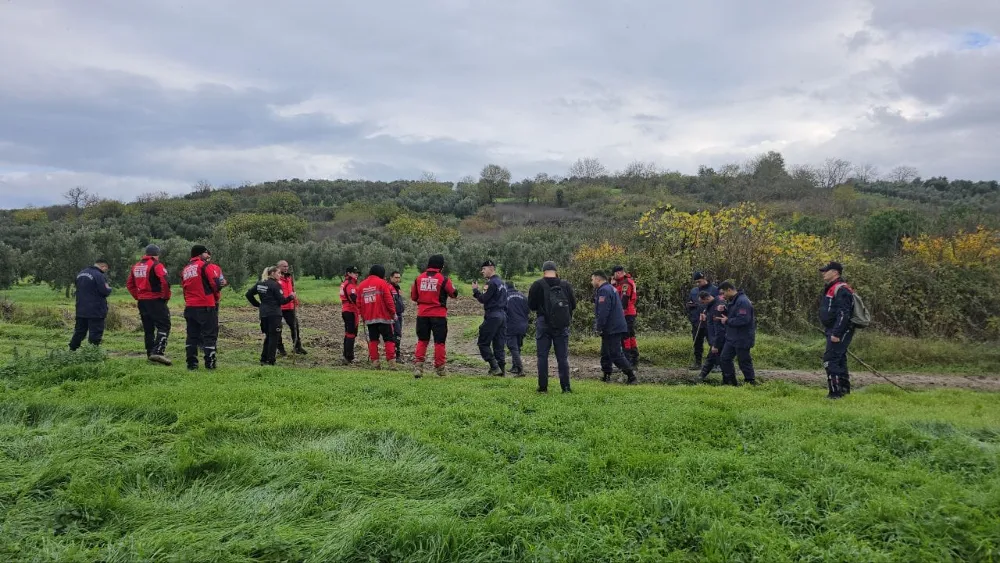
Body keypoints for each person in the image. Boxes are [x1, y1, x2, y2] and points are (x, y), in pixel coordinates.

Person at [527, 261, 577, 393]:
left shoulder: (537, 285)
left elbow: (531, 306)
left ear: (543, 271)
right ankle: (566, 387)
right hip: (561, 325)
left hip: (543, 323)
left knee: (542, 356)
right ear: (556, 270)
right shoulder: (565, 285)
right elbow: (573, 304)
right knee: (562, 357)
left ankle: (543, 387)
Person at [181, 245, 227, 371]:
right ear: (200, 254)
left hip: (190, 306)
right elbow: (215, 285)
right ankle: (210, 364)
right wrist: (216, 298)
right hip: (206, 304)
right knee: (209, 335)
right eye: (206, 253)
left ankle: (192, 364)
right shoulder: (205, 266)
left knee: (192, 336)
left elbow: (184, 288)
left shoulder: (186, 269)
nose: (208, 256)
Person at [410, 254, 457, 378]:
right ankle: (440, 369)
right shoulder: (443, 279)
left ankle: (418, 367)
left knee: (422, 341)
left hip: (422, 315)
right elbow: (454, 293)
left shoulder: (418, 278)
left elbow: (414, 297)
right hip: (438, 315)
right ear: (441, 266)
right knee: (439, 342)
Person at [126, 244, 172, 365]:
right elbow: (165, 282)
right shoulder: (156, 265)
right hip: (155, 300)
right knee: (164, 325)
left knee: (148, 329)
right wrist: (165, 297)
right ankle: (158, 352)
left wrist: (138, 296)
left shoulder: (136, 266)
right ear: (157, 254)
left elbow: (130, 284)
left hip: (142, 301)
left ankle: (150, 353)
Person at [592, 271, 637, 385]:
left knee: (615, 353)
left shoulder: (604, 291)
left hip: (612, 327)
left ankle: (631, 375)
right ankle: (606, 374)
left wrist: (598, 327)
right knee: (605, 352)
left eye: (592, 279)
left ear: (598, 279)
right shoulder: (610, 288)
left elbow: (603, 311)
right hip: (612, 326)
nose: (591, 282)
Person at [245, 266, 295, 366]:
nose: (280, 275)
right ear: (272, 273)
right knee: (274, 337)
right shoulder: (275, 285)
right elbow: (282, 301)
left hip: (263, 314)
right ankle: (271, 360)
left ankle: (263, 358)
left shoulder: (260, 283)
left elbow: (248, 294)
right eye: (278, 273)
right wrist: (291, 297)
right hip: (274, 314)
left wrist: (258, 304)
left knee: (268, 336)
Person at [819, 261, 855, 399]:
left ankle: (835, 393)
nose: (823, 273)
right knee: (840, 359)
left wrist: (836, 333)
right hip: (832, 329)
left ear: (835, 272)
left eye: (826, 270)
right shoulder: (832, 287)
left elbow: (843, 314)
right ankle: (844, 390)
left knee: (830, 359)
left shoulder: (841, 289)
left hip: (839, 330)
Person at [716, 281, 758, 386]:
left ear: (729, 290)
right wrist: (725, 310)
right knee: (724, 358)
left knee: (744, 361)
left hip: (743, 337)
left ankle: (750, 382)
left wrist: (727, 321)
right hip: (732, 337)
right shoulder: (733, 300)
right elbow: (734, 314)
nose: (722, 296)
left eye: (723, 293)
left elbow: (744, 320)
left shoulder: (743, 301)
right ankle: (730, 382)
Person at [357, 264, 398, 369]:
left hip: (370, 319)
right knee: (389, 340)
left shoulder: (361, 286)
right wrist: (393, 313)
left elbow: (359, 304)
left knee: (373, 340)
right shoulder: (382, 283)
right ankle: (392, 364)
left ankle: (375, 363)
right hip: (384, 318)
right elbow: (389, 301)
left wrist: (363, 316)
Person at [472, 260, 508, 376]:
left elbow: (483, 299)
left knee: (483, 342)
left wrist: (475, 291)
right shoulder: (502, 283)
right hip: (502, 315)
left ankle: (494, 366)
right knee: (499, 343)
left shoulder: (491, 283)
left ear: (491, 268)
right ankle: (501, 370)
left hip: (492, 315)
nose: (482, 271)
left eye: (484, 269)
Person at [69, 258, 112, 352]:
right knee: (95, 332)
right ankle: (93, 352)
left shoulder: (81, 273)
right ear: (103, 266)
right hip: (96, 309)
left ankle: (72, 349)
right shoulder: (99, 275)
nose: (105, 271)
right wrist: (109, 288)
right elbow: (105, 291)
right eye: (106, 269)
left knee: (79, 331)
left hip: (81, 308)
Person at [686, 272, 718, 370]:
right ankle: (697, 363)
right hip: (697, 322)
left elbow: (717, 305)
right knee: (697, 343)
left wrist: (710, 316)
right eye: (696, 282)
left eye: (699, 281)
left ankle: (715, 364)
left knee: (713, 343)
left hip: (710, 322)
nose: (697, 284)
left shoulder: (714, 290)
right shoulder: (693, 291)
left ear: (704, 278)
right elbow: (688, 305)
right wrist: (692, 316)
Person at [275, 260, 306, 356]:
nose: (286, 268)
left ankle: (297, 347)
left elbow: (292, 290)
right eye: (284, 266)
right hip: (279, 307)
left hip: (289, 307)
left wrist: (295, 300)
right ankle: (280, 348)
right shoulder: (276, 278)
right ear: (278, 267)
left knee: (295, 326)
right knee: (278, 329)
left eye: (287, 266)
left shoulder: (289, 277)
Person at [695, 290, 727, 383]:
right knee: (718, 358)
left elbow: (720, 329)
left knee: (713, 358)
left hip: (720, 338)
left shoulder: (718, 307)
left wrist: (715, 344)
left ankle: (701, 377)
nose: (702, 304)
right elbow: (711, 320)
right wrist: (705, 316)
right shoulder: (710, 304)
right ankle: (702, 376)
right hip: (715, 337)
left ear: (707, 298)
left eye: (703, 302)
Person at [610, 266, 639, 367]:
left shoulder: (625, 283)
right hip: (629, 313)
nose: (612, 277)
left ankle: (628, 360)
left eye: (613, 274)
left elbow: (624, 300)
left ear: (617, 273)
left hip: (626, 313)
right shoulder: (623, 282)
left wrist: (619, 314)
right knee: (630, 336)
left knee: (626, 337)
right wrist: (613, 285)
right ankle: (633, 358)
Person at [504, 281, 529, 377]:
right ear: (514, 286)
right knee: (518, 346)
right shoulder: (523, 296)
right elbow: (528, 310)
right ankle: (514, 367)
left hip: (511, 325)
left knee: (512, 347)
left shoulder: (505, 296)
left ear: (506, 287)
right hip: (523, 325)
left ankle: (520, 369)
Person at [339, 266, 361, 365]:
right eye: (354, 272)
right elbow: (353, 297)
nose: (356, 274)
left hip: (346, 310)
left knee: (348, 333)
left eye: (357, 272)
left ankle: (346, 355)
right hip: (350, 310)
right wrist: (362, 307)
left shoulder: (345, 283)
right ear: (348, 273)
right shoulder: (350, 284)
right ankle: (349, 357)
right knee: (351, 333)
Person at [389, 270, 405, 362]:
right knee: (396, 334)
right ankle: (396, 356)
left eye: (399, 277)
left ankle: (396, 354)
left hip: (399, 314)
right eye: (396, 277)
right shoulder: (389, 288)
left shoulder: (397, 288)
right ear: (391, 278)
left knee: (398, 334)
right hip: (393, 315)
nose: (397, 279)